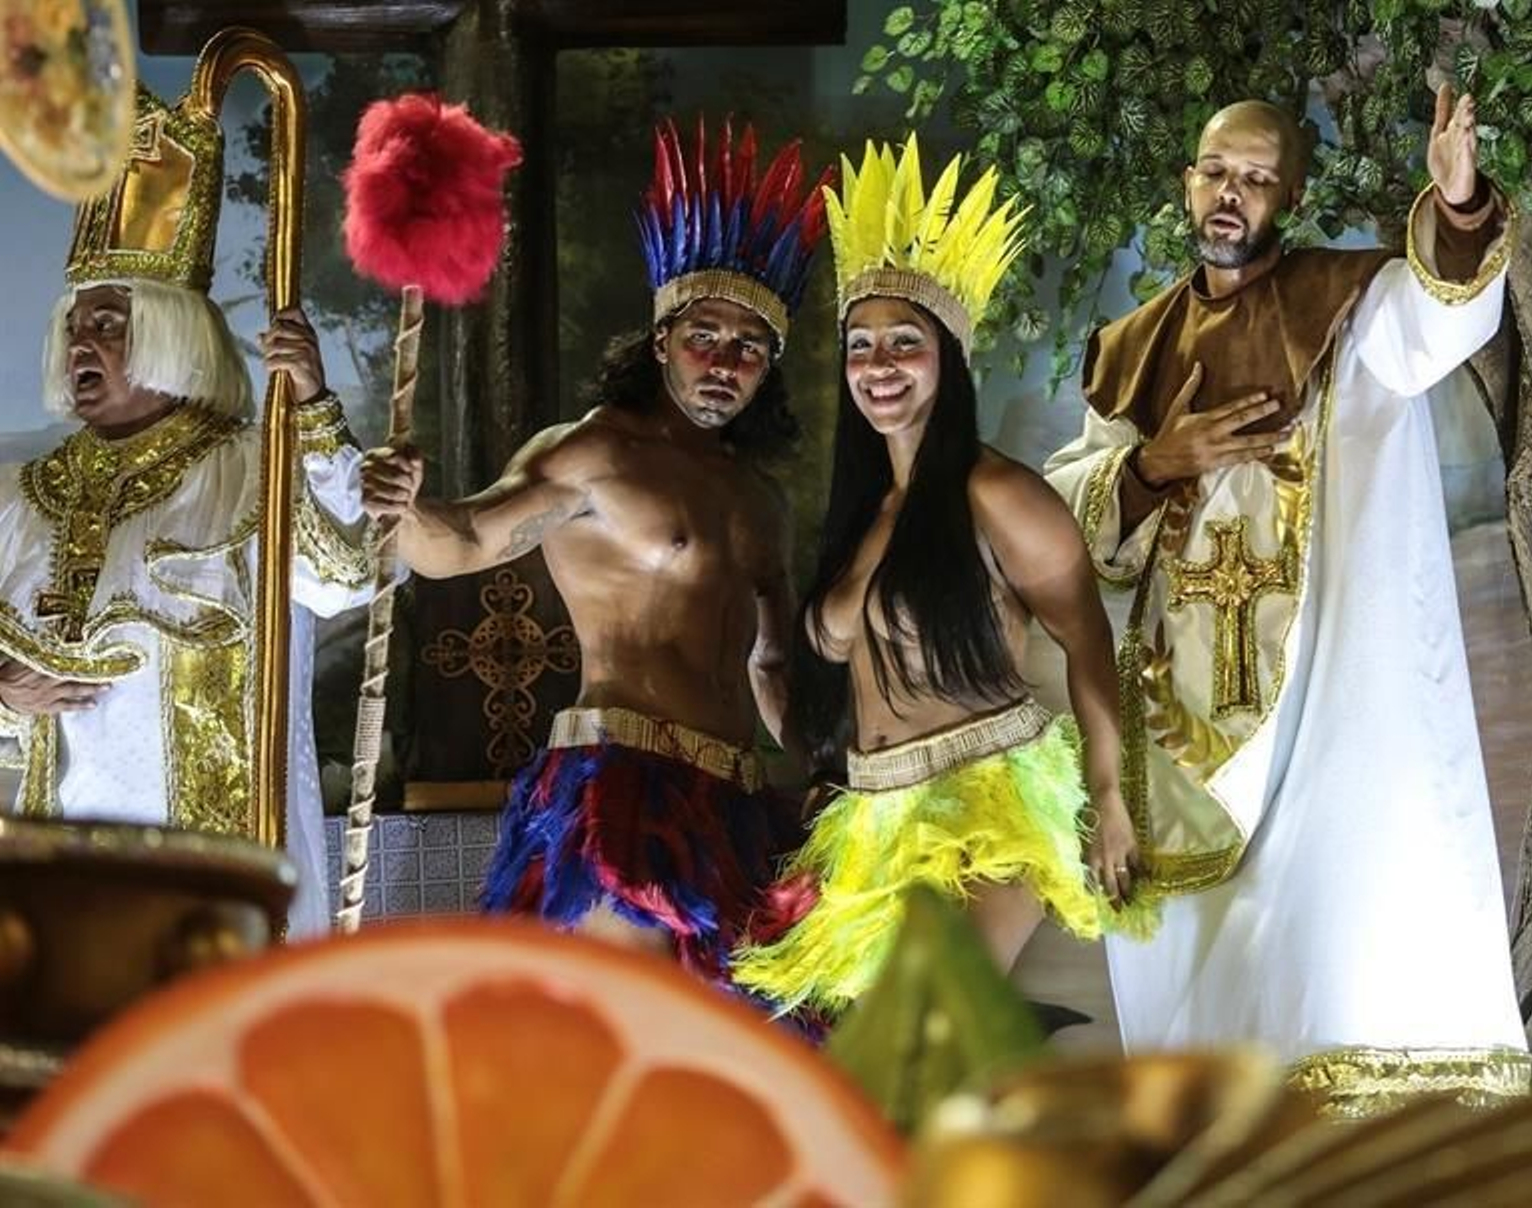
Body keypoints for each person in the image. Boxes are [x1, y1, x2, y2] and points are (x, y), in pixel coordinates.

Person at [1043, 89, 1530, 1114]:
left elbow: (1438, 320)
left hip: (1332, 706)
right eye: (1218, 172)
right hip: (1176, 722)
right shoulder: (1132, 347)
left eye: (1259, 179)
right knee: (1201, 1015)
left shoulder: (1347, 305)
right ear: (1188, 182)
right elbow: (1062, 522)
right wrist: (1152, 465)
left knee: (1331, 966)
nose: (1232, 194)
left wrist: (1456, 206)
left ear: (1291, 199)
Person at [359, 118, 832, 990]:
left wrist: (825, 775)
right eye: (704, 337)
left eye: (749, 348)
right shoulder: (595, 454)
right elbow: (460, 543)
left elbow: (769, 664)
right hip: (624, 787)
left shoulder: (761, 501)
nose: (723, 363)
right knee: (631, 1019)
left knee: (734, 1039)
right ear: (661, 342)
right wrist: (405, 505)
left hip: (738, 802)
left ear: (770, 367)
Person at [732, 136, 1151, 1019]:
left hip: (987, 801)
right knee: (885, 1059)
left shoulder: (996, 494)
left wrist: (1112, 800)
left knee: (929, 1030)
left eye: (904, 343)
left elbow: (1088, 638)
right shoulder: (862, 517)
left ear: (947, 358)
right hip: (874, 816)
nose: (878, 365)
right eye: (860, 346)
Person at [0, 85, 374, 937]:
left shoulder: (252, 464)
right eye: (74, 326)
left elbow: (346, 576)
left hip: (227, 853)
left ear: (172, 331)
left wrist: (313, 409)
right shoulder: (21, 498)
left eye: (108, 323)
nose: (81, 342)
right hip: (71, 864)